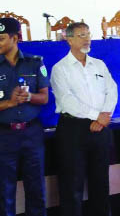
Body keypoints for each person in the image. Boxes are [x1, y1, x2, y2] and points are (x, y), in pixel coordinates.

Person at [50, 22, 118, 216]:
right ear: (69, 39)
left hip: (102, 128)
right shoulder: (60, 69)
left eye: (88, 34)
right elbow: (67, 101)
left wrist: (104, 116)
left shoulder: (99, 64)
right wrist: (97, 116)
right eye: (81, 35)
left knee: (100, 182)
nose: (87, 38)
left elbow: (111, 90)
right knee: (72, 184)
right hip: (73, 129)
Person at [0, 18, 49, 216]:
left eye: (2, 38)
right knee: (5, 192)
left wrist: (28, 96)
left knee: (36, 188)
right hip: (4, 136)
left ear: (16, 38)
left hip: (32, 133)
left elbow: (44, 98)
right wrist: (10, 103)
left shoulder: (35, 62)